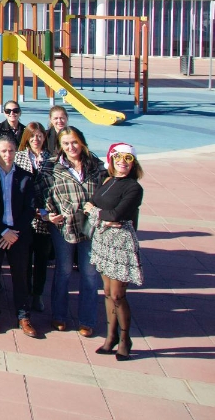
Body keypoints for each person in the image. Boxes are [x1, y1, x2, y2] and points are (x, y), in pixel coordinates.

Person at [45, 128, 106, 336]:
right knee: (64, 270)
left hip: (89, 225)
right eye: (66, 144)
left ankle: (87, 320)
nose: (71, 147)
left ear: (82, 142)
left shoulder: (96, 165)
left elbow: (107, 192)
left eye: (74, 142)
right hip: (64, 225)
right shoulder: (52, 166)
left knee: (90, 273)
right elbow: (43, 191)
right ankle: (59, 315)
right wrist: (48, 213)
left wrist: (98, 210)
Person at [88, 143, 145, 361]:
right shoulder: (108, 181)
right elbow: (92, 204)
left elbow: (116, 214)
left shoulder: (134, 188)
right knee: (107, 292)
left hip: (121, 243)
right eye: (118, 157)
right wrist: (102, 214)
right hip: (103, 240)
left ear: (134, 163)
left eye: (128, 158)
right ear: (111, 160)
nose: (122, 161)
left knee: (118, 294)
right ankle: (110, 337)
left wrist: (98, 214)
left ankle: (125, 338)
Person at [0, 137, 40, 337]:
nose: (7, 155)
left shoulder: (25, 176)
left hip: (18, 234)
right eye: (3, 151)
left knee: (21, 275)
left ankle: (23, 315)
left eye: (11, 151)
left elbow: (30, 208)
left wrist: (15, 232)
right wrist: (2, 230)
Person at [15, 122, 55, 312]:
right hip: (25, 217)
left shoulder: (51, 159)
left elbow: (55, 190)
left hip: (44, 219)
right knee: (24, 259)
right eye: (32, 136)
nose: (36, 140)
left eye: (39, 136)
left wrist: (45, 210)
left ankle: (37, 294)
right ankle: (25, 292)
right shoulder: (19, 157)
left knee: (41, 259)